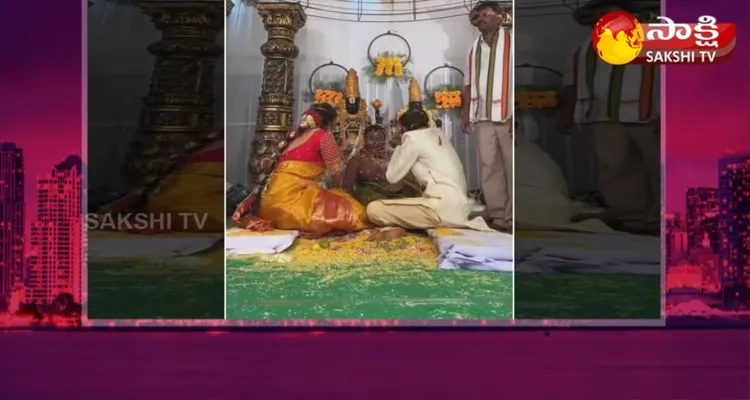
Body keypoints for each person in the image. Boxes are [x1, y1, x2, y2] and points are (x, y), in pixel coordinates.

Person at [557, 0, 660, 235]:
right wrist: (567, 113)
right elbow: (572, 83)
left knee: (658, 167)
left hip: (650, 116)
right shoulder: (585, 48)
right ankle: (632, 219)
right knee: (614, 168)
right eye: (597, 17)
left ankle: (663, 220)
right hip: (603, 115)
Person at [366, 79, 492, 233]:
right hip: (459, 205)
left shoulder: (413, 138)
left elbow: (392, 176)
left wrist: (397, 146)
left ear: (405, 127)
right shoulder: (439, 136)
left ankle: (426, 220)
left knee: (374, 209)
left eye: (397, 127)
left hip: (442, 208)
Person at [232, 103, 370, 237]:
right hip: (290, 207)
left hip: (267, 210)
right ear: (330, 123)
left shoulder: (293, 138)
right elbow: (337, 176)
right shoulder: (323, 136)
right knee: (352, 209)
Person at [461, 0, 514, 232]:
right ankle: (500, 217)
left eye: (486, 14)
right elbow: (468, 83)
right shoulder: (474, 48)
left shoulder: (514, 42)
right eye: (478, 15)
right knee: (489, 167)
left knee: (513, 167)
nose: (481, 18)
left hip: (509, 115)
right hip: (482, 116)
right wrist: (465, 113)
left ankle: (515, 217)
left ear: (500, 17)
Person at [343, 116, 421, 205]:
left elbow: (407, 181)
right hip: (369, 199)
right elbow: (347, 188)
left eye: (380, 138)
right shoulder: (356, 160)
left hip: (395, 196)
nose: (376, 142)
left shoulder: (392, 156)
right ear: (365, 140)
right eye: (371, 138)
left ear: (384, 140)